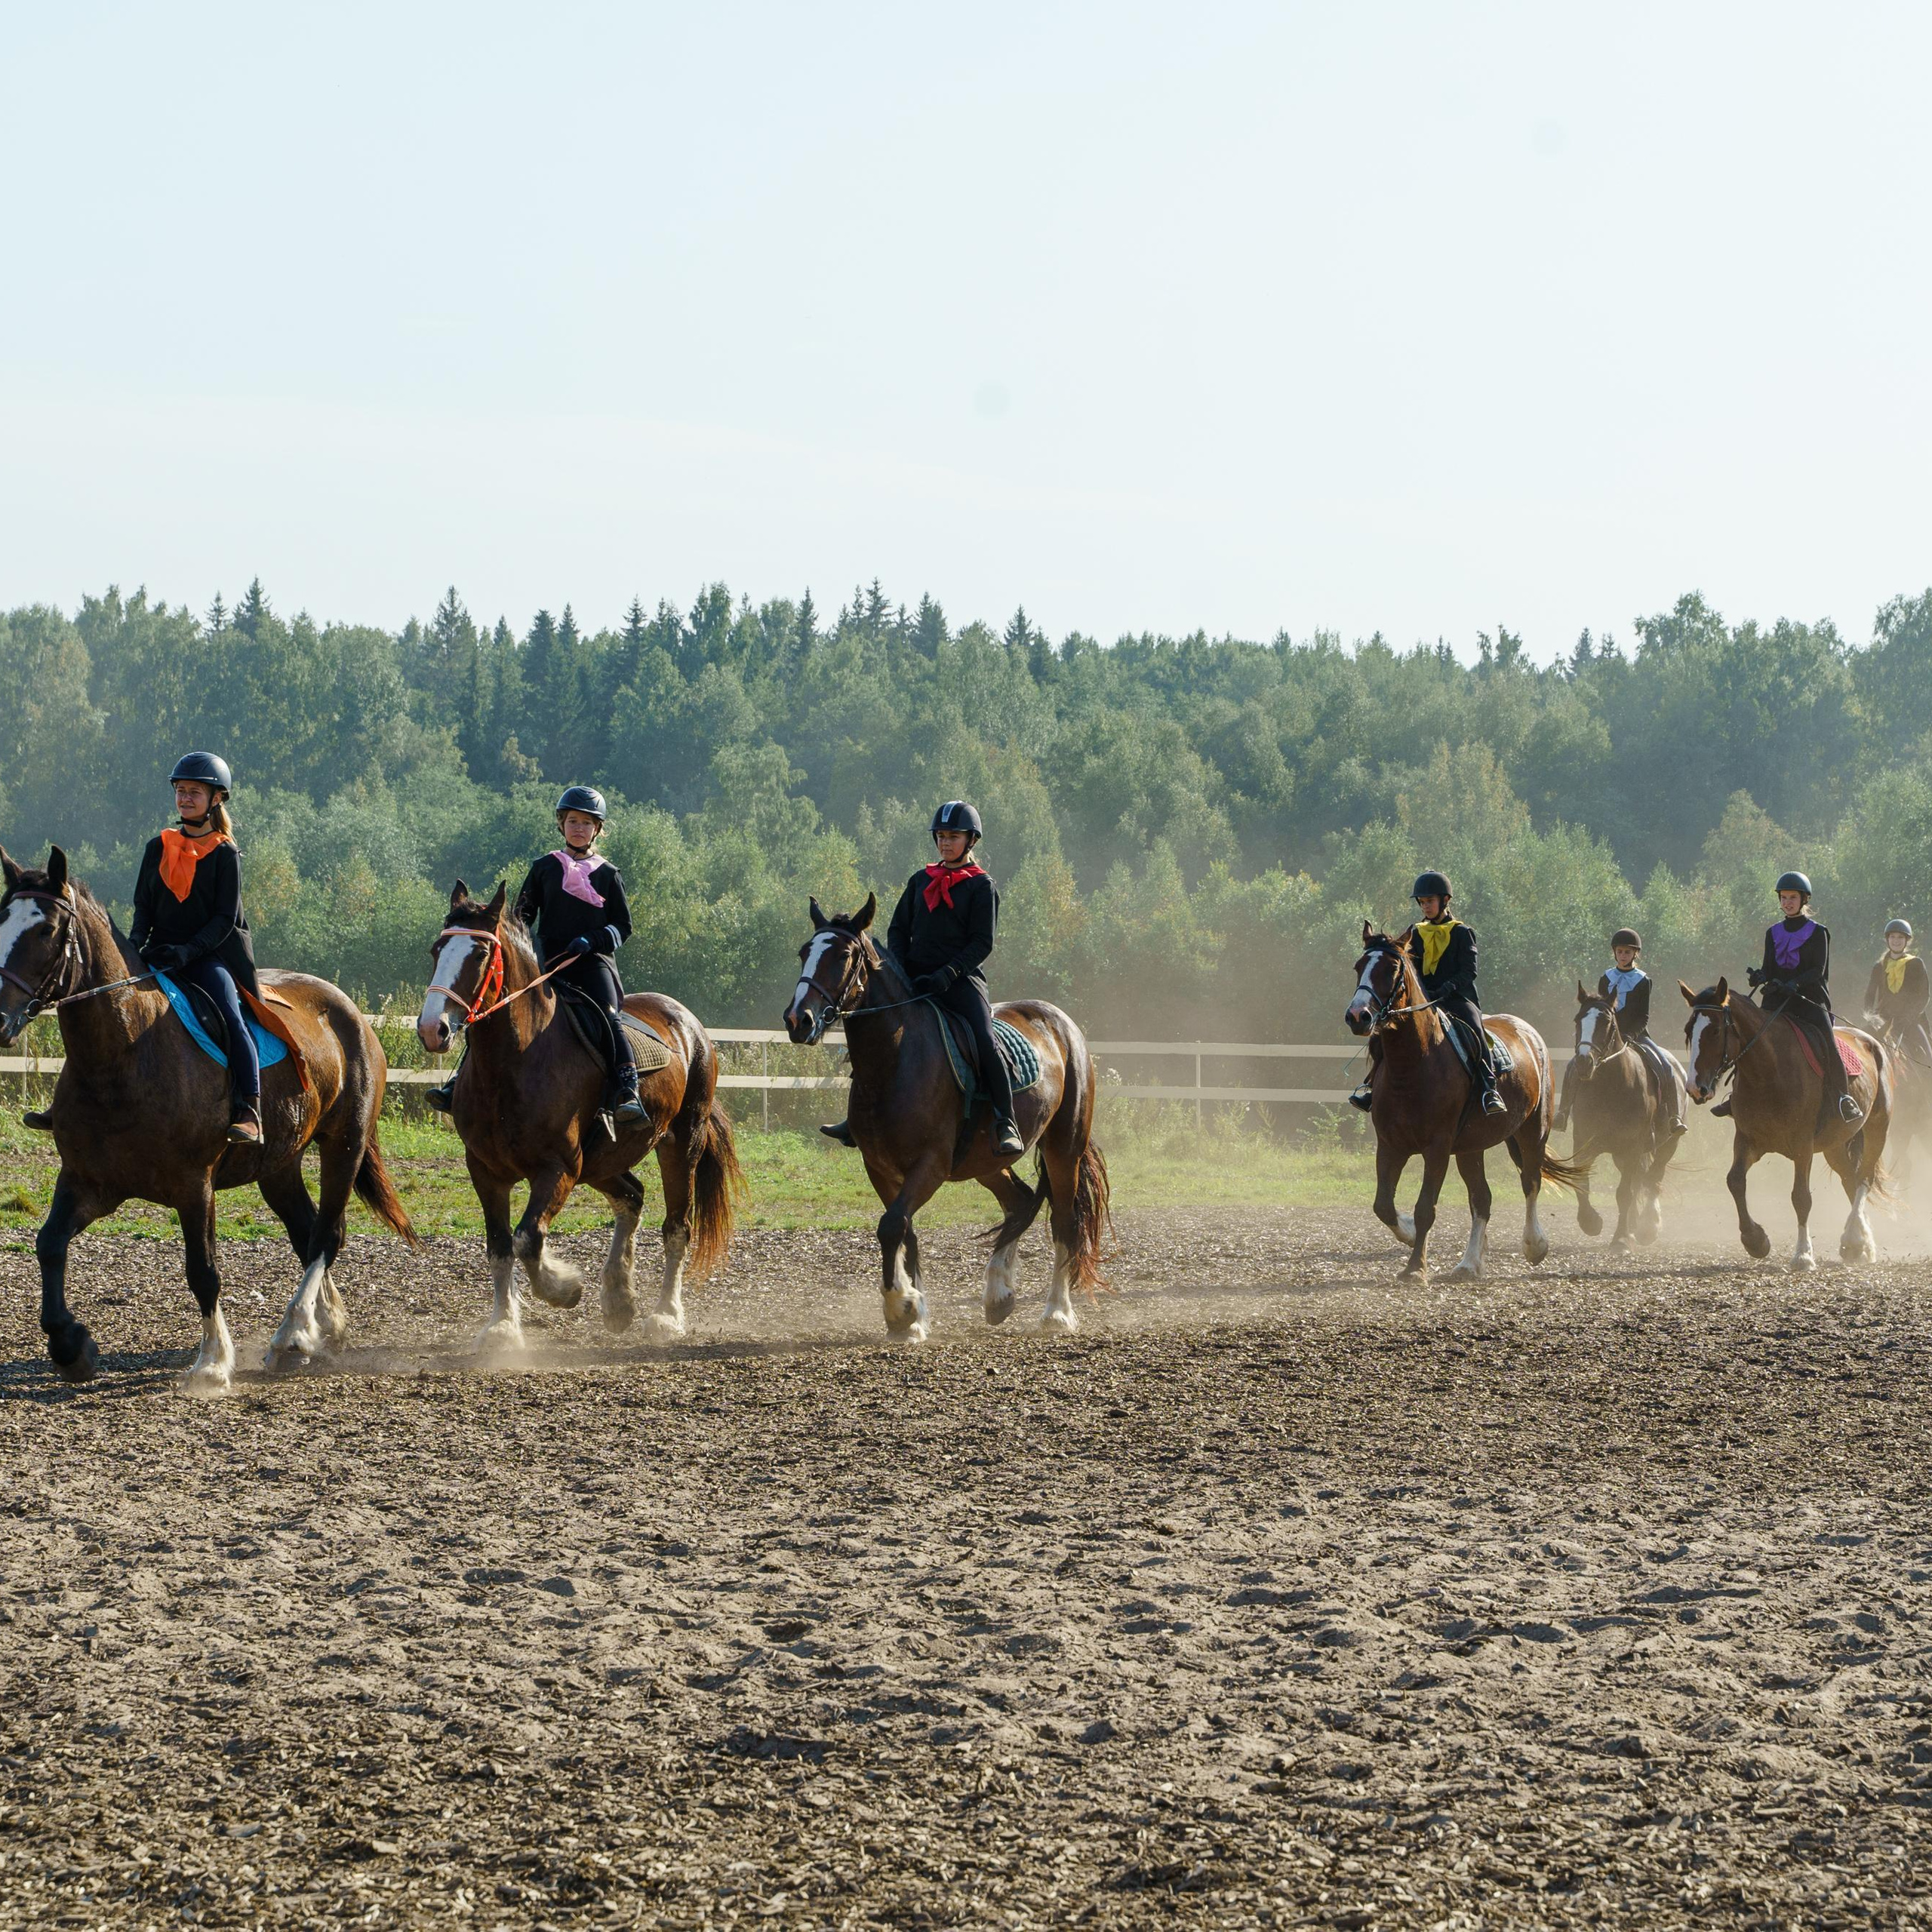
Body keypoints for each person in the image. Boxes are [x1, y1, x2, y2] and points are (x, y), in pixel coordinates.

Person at [427, 786, 645, 1124]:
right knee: (489, 1011)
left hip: (592, 964)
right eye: (573, 821)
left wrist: (592, 939)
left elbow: (623, 926)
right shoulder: (544, 867)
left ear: (597, 829)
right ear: (562, 825)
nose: (579, 828)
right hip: (544, 963)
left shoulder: (608, 874)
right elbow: (522, 917)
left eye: (587, 823)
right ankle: (457, 1083)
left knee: (609, 1016)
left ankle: (627, 1090)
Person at [821, 799, 1025, 1159]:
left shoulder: (982, 887)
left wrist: (948, 973)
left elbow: (982, 943)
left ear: (971, 840)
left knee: (984, 1040)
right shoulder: (920, 881)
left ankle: (1005, 1120)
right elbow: (899, 929)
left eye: (954, 836)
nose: (946, 843)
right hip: (914, 978)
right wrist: (901, 968)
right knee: (876, 1033)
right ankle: (857, 1118)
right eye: (941, 836)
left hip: (960, 982)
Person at [128, 752, 263, 1145]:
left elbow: (224, 919)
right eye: (180, 791)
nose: (185, 798)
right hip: (157, 952)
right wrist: (135, 947)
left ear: (216, 799)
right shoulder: (158, 847)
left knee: (231, 1016)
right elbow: (143, 906)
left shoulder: (226, 854)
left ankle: (250, 1108)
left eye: (194, 792)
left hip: (207, 956)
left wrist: (188, 953)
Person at [1350, 870, 1506, 1118]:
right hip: (1423, 1001)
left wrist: (1446, 989)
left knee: (1475, 1030)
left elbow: (1469, 972)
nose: (1426, 907)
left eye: (1430, 901)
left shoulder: (1462, 932)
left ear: (1445, 901)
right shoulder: (1417, 934)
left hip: (1458, 999)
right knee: (1383, 1033)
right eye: (1422, 903)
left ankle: (1489, 1087)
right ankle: (1371, 1085)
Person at [1739, 869, 1861, 1130]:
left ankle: (1843, 1098)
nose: (1787, 902)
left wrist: (1795, 983)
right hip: (1777, 999)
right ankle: (1737, 1096)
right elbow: (1769, 967)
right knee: (1752, 1038)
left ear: (1804, 899)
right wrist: (1760, 977)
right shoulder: (1772, 932)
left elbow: (1818, 970)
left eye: (1792, 897)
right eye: (1783, 898)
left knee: (1828, 1042)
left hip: (1809, 1000)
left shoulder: (1818, 932)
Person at [1552, 928, 1687, 1139]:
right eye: (1620, 951)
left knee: (1665, 1066)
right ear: (1615, 952)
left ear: (1635, 954)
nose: (1623, 955)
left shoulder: (1643, 981)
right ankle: (1563, 1112)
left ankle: (1674, 1116)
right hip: (1605, 1036)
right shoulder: (1606, 978)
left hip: (1636, 1035)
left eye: (1627, 952)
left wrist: (1630, 1035)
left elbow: (1643, 1016)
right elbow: (1599, 1008)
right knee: (1573, 1065)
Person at [1864, 918, 1931, 1064]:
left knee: (1928, 1057)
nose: (1896, 940)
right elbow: (1869, 996)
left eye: (1900, 937)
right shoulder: (1879, 966)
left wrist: (1906, 1019)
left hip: (1910, 1020)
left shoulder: (1916, 964)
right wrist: (1871, 1018)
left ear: (1907, 940)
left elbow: (1924, 997)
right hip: (1883, 1019)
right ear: (1887, 939)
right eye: (1893, 937)